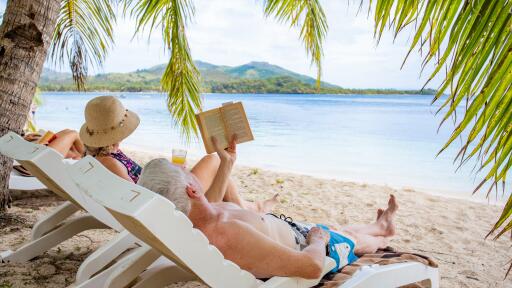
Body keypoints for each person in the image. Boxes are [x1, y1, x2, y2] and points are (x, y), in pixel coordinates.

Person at [145, 136, 399, 279]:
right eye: (186, 170)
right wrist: (318, 241)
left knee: (329, 228)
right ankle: (381, 236)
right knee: (348, 238)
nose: (190, 169)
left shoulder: (197, 218)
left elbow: (210, 200)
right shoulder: (227, 233)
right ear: (192, 189)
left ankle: (378, 225)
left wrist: (227, 162)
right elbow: (310, 268)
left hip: (294, 232)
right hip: (312, 249)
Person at [81, 96, 277, 212]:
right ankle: (251, 208)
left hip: (165, 195)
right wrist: (174, 179)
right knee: (215, 159)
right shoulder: (110, 163)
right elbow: (139, 200)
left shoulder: (101, 157)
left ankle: (248, 207)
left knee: (215, 160)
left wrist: (171, 174)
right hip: (170, 206)